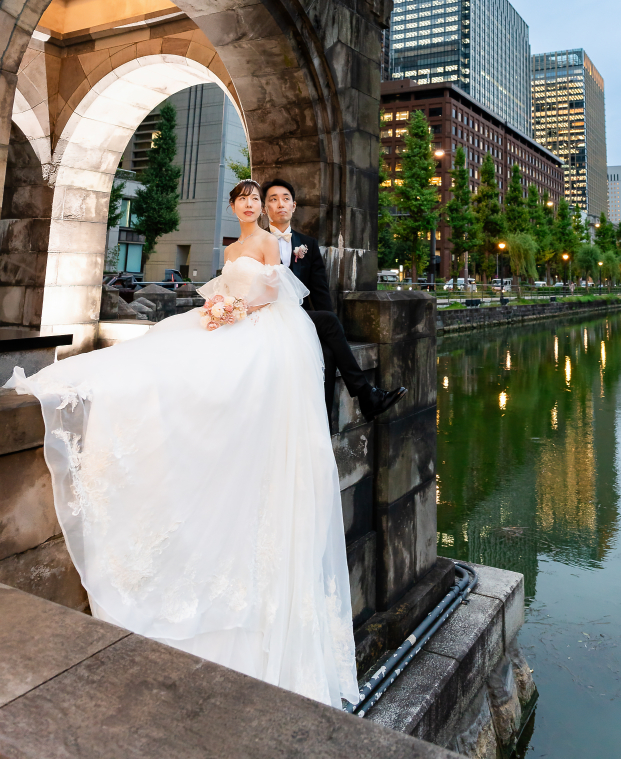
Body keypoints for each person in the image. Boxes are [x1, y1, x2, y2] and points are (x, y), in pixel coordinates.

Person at [5, 179, 359, 709]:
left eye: (255, 199)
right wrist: (218, 307)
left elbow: (273, 293)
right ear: (233, 206)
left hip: (260, 328)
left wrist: (232, 312)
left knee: (202, 373)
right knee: (161, 349)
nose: (249, 205)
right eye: (241, 199)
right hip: (227, 319)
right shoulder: (230, 248)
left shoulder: (265, 242)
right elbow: (226, 287)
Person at [262, 179, 406, 425]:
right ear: (265, 208)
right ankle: (366, 394)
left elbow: (320, 293)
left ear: (294, 206)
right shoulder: (256, 242)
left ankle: (323, 426)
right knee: (327, 324)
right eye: (273, 199)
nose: (280, 204)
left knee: (327, 352)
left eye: (285, 199)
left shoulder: (307, 244)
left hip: (296, 318)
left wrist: (325, 332)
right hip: (266, 318)